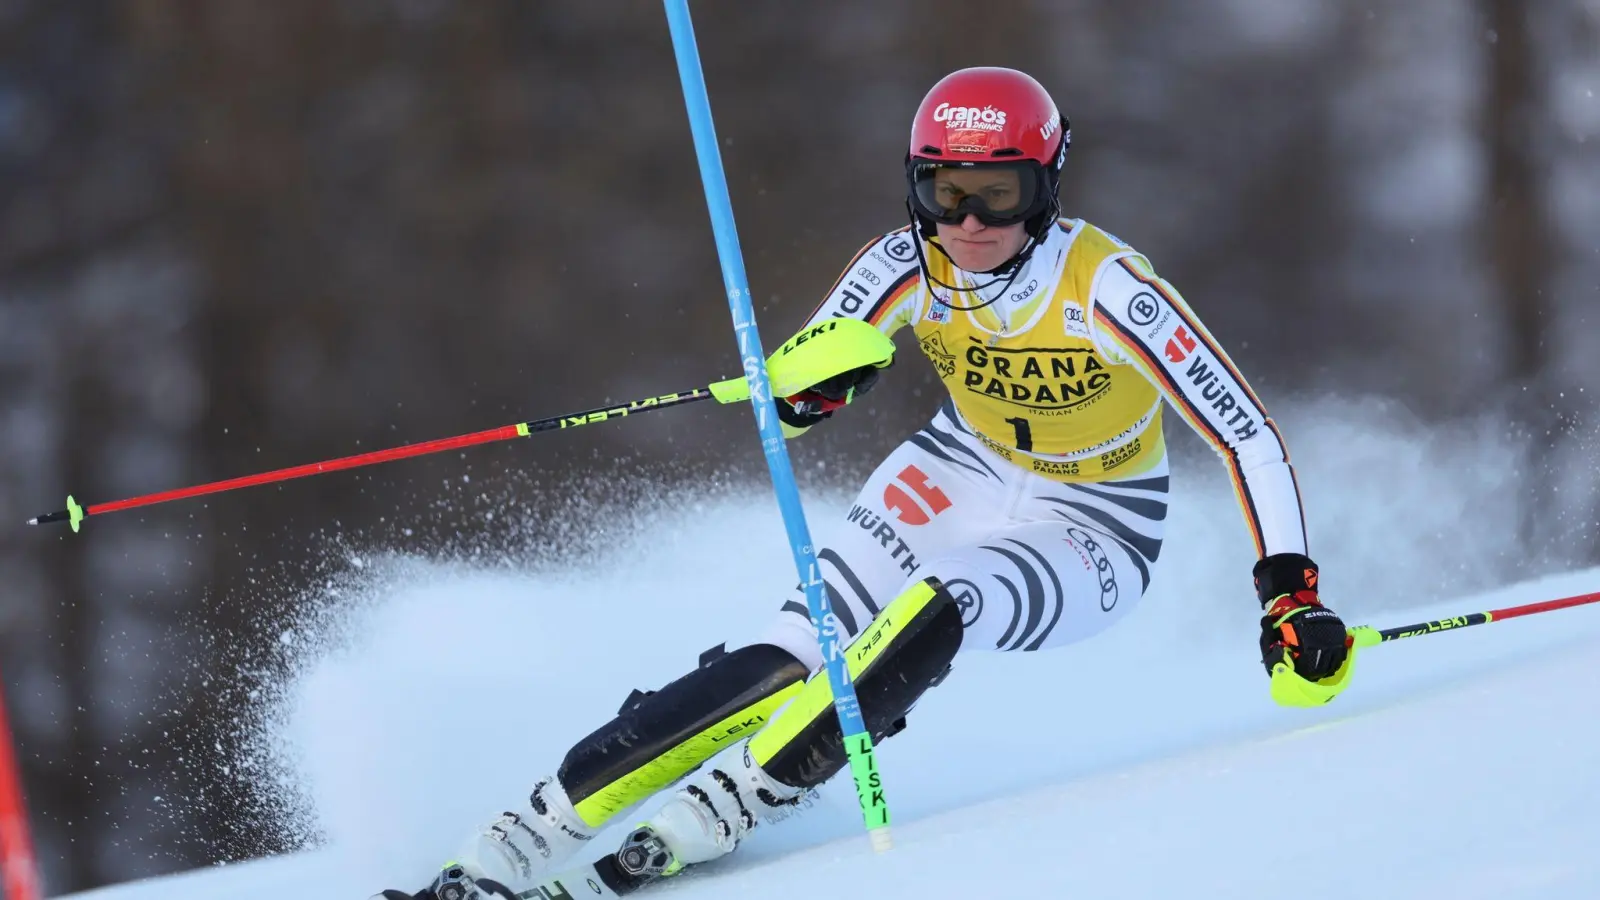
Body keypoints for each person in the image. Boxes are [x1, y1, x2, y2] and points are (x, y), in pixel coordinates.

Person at [380, 66, 1354, 900]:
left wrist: (1287, 596)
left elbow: (1245, 434)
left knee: (944, 602)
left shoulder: (1108, 287)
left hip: (1093, 524)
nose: (967, 223)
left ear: (1046, 185)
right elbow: (799, 386)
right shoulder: (903, 262)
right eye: (943, 191)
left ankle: (742, 798)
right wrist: (811, 390)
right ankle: (524, 833)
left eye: (999, 194)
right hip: (954, 470)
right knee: (785, 654)